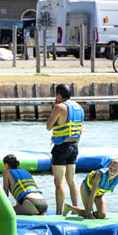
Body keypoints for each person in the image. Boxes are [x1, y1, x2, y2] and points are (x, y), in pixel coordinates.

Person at [46, 84, 83, 215]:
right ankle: (76, 208)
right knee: (71, 180)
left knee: (59, 181)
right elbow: (80, 131)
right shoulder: (79, 108)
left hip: (61, 147)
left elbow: (48, 126)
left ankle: (58, 212)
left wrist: (55, 107)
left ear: (59, 95)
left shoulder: (59, 107)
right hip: (74, 146)